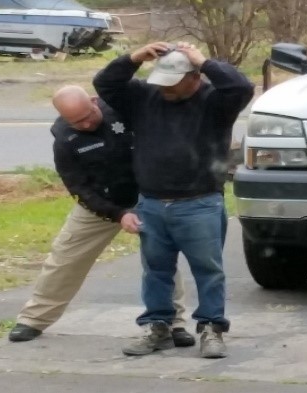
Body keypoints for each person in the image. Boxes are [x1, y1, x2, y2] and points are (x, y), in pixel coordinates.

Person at [93, 41, 255, 358]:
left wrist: (204, 61)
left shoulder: (216, 102)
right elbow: (105, 83)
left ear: (194, 78)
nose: (164, 88)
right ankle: (158, 327)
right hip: (152, 203)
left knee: (208, 272)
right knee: (155, 271)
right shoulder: (144, 96)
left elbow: (242, 87)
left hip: (199, 202)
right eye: (161, 81)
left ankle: (211, 329)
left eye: (173, 82)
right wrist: (134, 57)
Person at [8, 85, 195, 347]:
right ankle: (33, 319)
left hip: (147, 198)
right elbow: (78, 187)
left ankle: (173, 323)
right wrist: (118, 214)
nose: (85, 124)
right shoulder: (64, 138)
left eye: (88, 115)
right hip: (101, 204)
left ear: (95, 101)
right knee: (64, 257)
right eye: (77, 122)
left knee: (160, 261)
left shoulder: (123, 109)